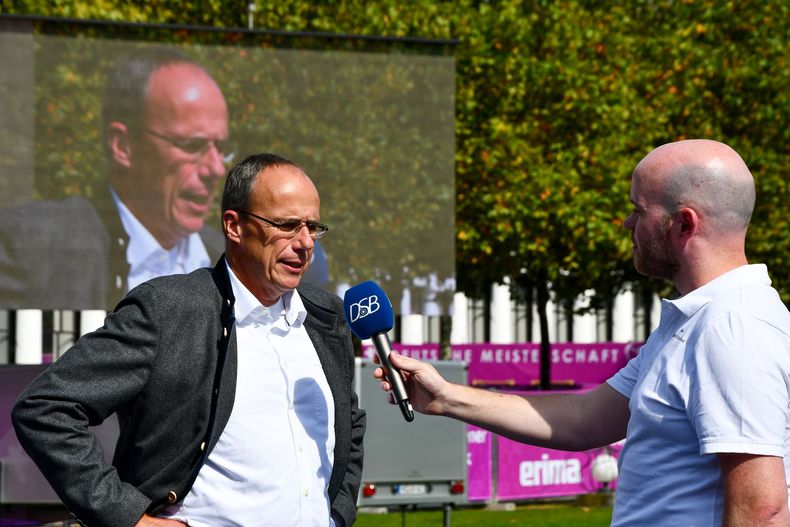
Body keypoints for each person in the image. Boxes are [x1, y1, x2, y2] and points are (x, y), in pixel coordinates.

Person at [376, 139, 790, 526]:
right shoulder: (699, 321)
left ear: (684, 224)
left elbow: (762, 511)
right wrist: (446, 396)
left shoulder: (732, 328)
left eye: (638, 210)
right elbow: (584, 420)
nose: (627, 223)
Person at [12, 153, 366, 527]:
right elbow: (45, 407)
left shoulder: (328, 316)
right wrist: (128, 518)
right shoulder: (168, 310)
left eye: (313, 227)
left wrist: (339, 513)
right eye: (288, 225)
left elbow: (350, 425)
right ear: (234, 226)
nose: (305, 242)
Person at [0, 46, 329, 311]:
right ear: (123, 146)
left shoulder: (245, 260)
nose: (215, 168)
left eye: (222, 148)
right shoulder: (33, 248)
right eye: (192, 145)